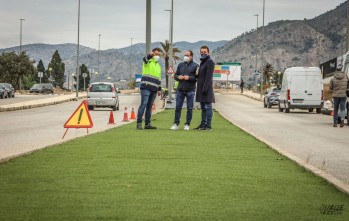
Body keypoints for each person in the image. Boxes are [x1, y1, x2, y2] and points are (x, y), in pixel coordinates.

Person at [170, 50, 199, 131]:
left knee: (189, 108)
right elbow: (175, 75)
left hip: (190, 90)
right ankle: (176, 124)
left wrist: (189, 78)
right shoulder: (180, 65)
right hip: (180, 90)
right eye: (185, 55)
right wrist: (178, 77)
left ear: (191, 56)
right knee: (178, 107)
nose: (185, 57)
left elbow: (196, 78)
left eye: (187, 55)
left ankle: (187, 124)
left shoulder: (196, 66)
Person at [136, 48, 162, 130]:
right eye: (156, 54)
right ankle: (139, 123)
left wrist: (159, 89)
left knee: (149, 106)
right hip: (146, 87)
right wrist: (150, 55)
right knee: (143, 104)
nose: (157, 56)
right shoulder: (147, 62)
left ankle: (147, 124)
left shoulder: (158, 66)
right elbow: (145, 58)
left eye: (158, 55)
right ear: (152, 54)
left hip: (154, 89)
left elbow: (159, 78)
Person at [194, 46, 215, 131]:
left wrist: (205, 88)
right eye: (201, 52)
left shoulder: (210, 62)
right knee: (203, 108)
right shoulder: (202, 62)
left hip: (206, 89)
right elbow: (201, 75)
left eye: (205, 52)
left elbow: (208, 77)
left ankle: (208, 125)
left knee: (208, 106)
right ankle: (203, 124)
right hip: (200, 88)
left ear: (208, 53)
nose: (203, 53)